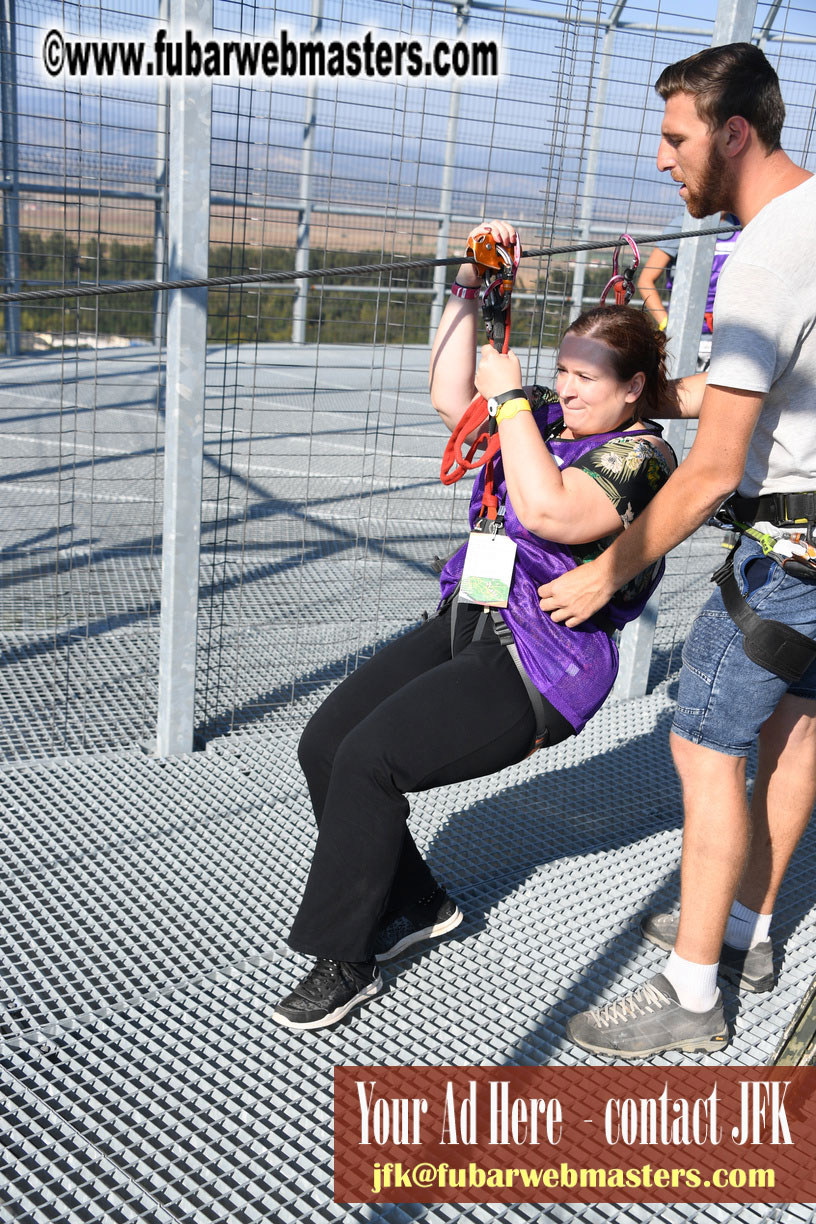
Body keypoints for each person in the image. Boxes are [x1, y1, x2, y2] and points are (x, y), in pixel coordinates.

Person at [270, 219, 679, 1031]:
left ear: (634, 389)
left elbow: (553, 510)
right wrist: (469, 282)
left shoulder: (643, 458)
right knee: (327, 743)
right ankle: (419, 902)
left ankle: (347, 956)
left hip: (542, 663)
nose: (565, 389)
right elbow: (448, 396)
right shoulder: (551, 421)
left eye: (586, 379)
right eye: (561, 371)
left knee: (371, 761)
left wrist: (512, 402)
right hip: (474, 617)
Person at [538, 43, 816, 1058]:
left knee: (706, 748)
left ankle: (692, 994)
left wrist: (600, 575)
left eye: (675, 138)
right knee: (797, 734)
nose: (663, 162)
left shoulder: (768, 259)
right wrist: (660, 395)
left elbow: (710, 472)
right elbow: (767, 384)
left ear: (733, 133)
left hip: (789, 556)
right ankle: (742, 934)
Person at [637, 210, 739, 368]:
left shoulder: (742, 226)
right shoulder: (682, 225)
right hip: (685, 337)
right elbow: (645, 281)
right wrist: (667, 324)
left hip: (730, 337)